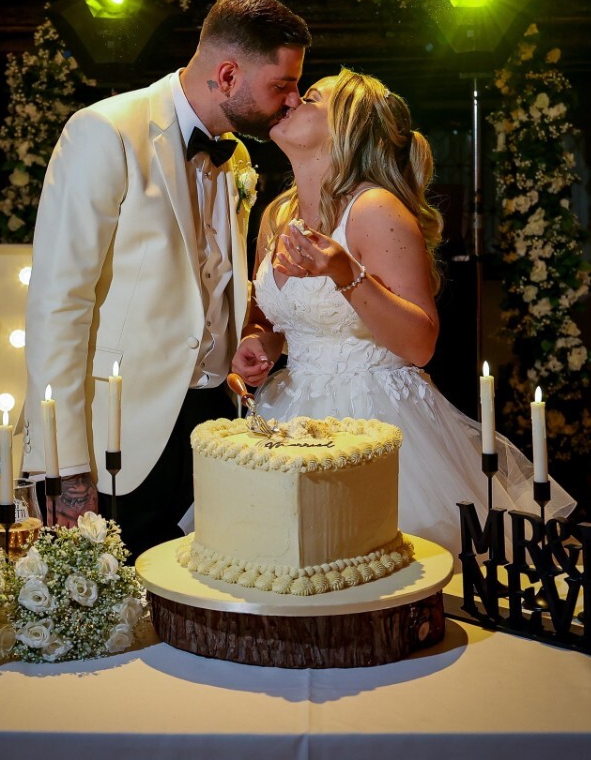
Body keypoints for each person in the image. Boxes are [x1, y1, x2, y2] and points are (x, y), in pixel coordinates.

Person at [232, 68, 575, 560]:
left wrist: (344, 272)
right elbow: (275, 324)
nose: (289, 102)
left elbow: (420, 343)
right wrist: (258, 345)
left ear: (347, 127)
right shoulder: (277, 215)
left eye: (309, 98)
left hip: (376, 418)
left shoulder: (375, 209)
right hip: (287, 415)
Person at [22, 0, 311, 558]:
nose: (293, 99)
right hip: (120, 438)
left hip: (213, 425)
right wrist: (64, 465)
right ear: (228, 74)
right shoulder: (104, 132)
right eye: (282, 84)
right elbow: (60, 302)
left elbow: (211, 278)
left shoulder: (239, 158)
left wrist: (243, 339)